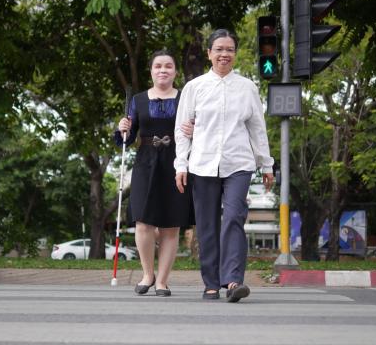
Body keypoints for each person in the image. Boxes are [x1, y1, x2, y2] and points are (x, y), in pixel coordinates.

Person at [174, 29, 275, 302]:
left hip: (238, 163)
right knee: (206, 225)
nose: (224, 54)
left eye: (229, 49)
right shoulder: (194, 88)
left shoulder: (247, 87)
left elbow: (257, 129)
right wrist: (180, 165)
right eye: (218, 49)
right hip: (202, 164)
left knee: (233, 218)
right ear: (209, 53)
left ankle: (232, 281)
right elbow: (182, 131)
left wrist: (266, 165)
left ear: (235, 54)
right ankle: (210, 283)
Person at [114, 49, 194, 297]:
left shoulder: (185, 99)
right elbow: (125, 141)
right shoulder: (137, 100)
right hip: (145, 163)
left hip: (176, 163)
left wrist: (195, 130)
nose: (163, 70)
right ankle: (147, 274)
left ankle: (162, 281)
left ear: (175, 72)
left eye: (168, 66)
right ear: (151, 71)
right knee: (143, 221)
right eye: (158, 66)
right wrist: (122, 129)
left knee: (171, 225)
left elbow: (200, 131)